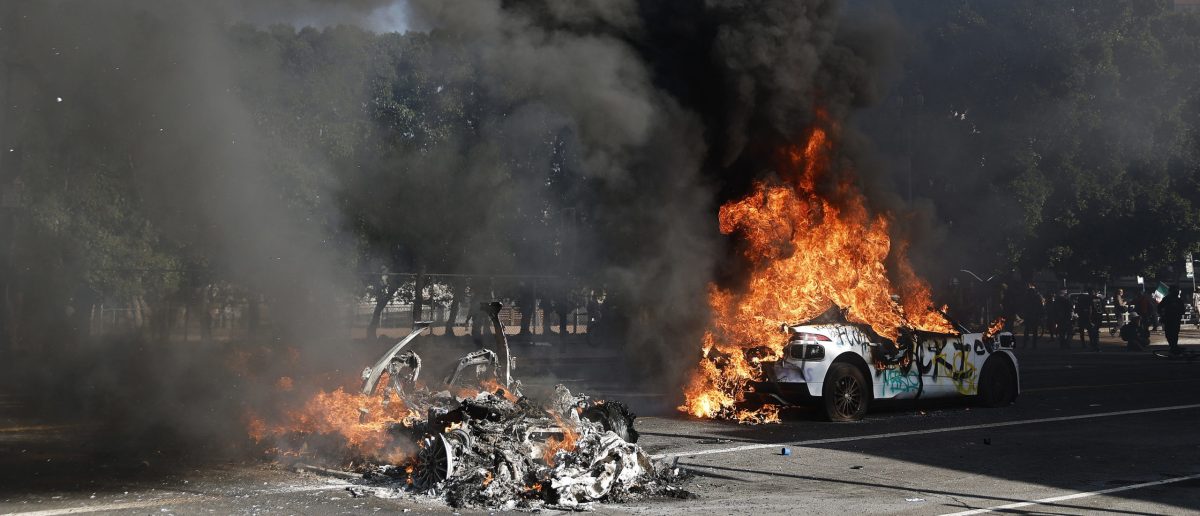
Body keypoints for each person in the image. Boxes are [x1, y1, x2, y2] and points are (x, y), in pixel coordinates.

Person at [1158, 286, 1186, 355]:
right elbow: (1159, 307)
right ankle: (1173, 347)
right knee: (1170, 334)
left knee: (1174, 334)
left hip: (1175, 319)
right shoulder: (1167, 299)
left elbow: (1183, 310)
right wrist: (1162, 315)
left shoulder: (1178, 300)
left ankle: (1174, 347)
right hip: (1169, 319)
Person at [1019, 284, 1044, 349]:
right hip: (1034, 315)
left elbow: (1023, 306)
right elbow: (1040, 307)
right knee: (1034, 330)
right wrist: (1040, 314)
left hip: (1029, 315)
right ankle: (1034, 345)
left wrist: (1023, 314)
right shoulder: (1037, 297)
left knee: (1027, 330)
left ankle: (1025, 344)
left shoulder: (1027, 297)